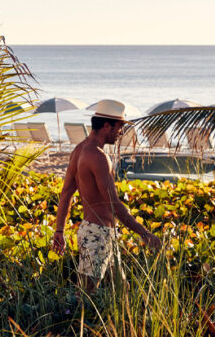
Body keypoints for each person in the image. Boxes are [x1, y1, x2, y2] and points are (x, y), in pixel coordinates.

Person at [52, 100, 161, 291]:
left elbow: (66, 194)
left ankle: (122, 322)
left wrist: (59, 231)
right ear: (106, 126)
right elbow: (113, 204)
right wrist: (144, 233)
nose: (121, 133)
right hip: (97, 235)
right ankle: (74, 320)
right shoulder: (98, 156)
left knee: (122, 291)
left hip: (99, 233)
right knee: (86, 295)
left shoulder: (79, 150)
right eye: (119, 127)